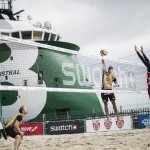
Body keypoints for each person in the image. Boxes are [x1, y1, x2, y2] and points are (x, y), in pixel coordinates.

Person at [100, 51, 120, 122]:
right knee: (105, 104)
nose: (110, 70)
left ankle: (118, 117)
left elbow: (116, 81)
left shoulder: (113, 75)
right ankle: (108, 118)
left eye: (111, 69)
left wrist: (117, 84)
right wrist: (102, 56)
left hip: (110, 90)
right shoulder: (105, 72)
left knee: (114, 103)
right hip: (104, 90)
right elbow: (103, 64)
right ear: (108, 69)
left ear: (112, 70)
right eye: (110, 69)